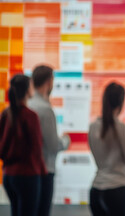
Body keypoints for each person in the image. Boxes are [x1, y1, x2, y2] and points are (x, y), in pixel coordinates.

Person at [0, 74, 47, 216]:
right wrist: (44, 174)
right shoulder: (30, 116)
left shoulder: (5, 114)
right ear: (27, 90)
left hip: (9, 176)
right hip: (28, 176)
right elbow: (36, 148)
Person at [28, 65, 70, 216]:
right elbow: (53, 146)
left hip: (29, 170)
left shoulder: (28, 104)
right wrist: (66, 140)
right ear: (48, 82)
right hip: (45, 170)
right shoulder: (45, 109)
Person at [88, 82, 125, 216]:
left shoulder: (93, 126)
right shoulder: (121, 127)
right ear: (121, 102)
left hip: (96, 190)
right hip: (118, 189)